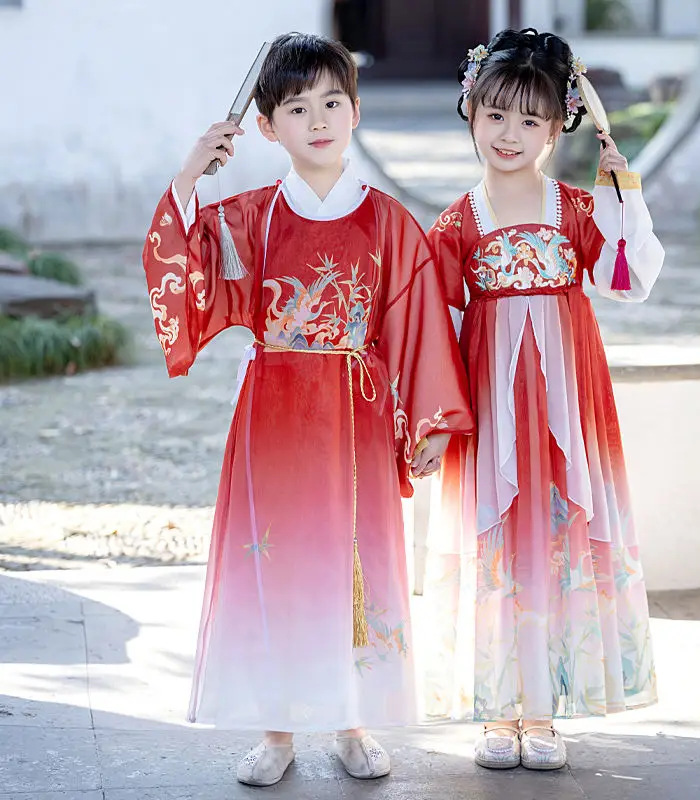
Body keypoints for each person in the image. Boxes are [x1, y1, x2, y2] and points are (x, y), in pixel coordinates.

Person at [141, 32, 473, 787]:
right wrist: (193, 172)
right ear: (267, 127)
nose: (317, 118)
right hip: (275, 414)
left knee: (355, 562)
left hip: (356, 414)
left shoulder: (389, 222)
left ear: (355, 112)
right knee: (279, 563)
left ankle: (354, 721)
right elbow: (179, 258)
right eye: (297, 106)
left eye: (332, 102)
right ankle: (277, 729)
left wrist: (427, 424)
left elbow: (418, 323)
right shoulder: (252, 217)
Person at [423, 28, 663, 772]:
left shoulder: (575, 209)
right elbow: (432, 324)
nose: (509, 134)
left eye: (530, 120)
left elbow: (625, 278)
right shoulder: (458, 221)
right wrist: (434, 419)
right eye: (495, 115)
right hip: (492, 405)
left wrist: (623, 195)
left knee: (556, 539)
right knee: (499, 543)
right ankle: (499, 710)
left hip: (568, 402)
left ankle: (543, 711)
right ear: (470, 111)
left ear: (559, 127)